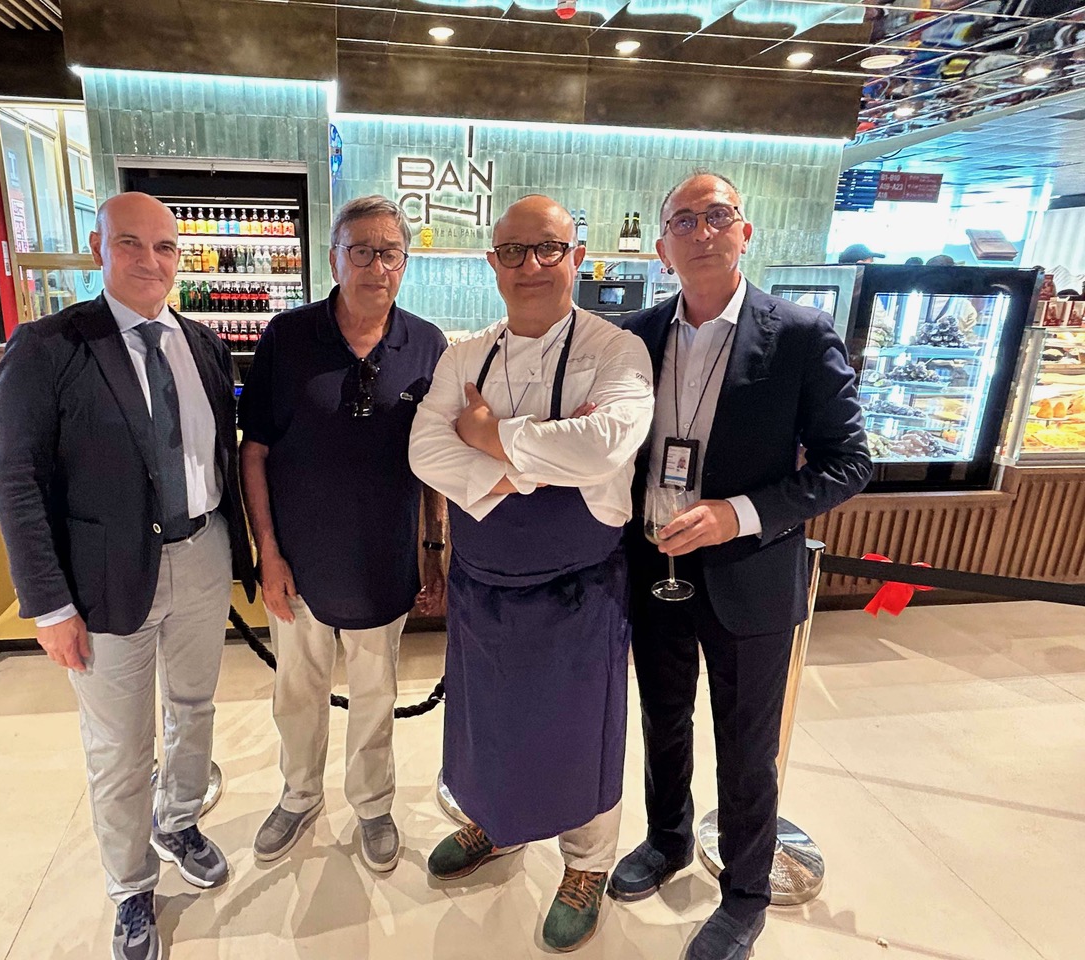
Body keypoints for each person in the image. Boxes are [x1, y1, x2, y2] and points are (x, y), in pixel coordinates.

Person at [609, 172, 870, 960]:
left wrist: (738, 513)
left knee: (746, 744)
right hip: (654, 563)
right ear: (662, 247)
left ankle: (746, 894)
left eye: (717, 215)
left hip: (750, 573)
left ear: (744, 231)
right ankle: (666, 839)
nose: (702, 231)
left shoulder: (799, 334)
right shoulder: (634, 335)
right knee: (662, 718)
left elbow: (849, 461)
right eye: (683, 221)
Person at [0, 192, 256, 960]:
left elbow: (218, 458)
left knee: (194, 708)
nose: (150, 261)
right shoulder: (49, 347)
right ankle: (131, 886)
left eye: (165, 247)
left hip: (202, 554)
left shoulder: (204, 345)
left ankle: (179, 821)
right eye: (130, 243)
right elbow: (14, 483)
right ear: (97, 248)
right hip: (105, 577)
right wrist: (48, 605)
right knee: (118, 744)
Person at [409, 195, 654, 952]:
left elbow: (605, 444)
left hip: (579, 585)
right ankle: (498, 822)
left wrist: (488, 435)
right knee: (489, 721)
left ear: (577, 257)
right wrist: (529, 465)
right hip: (483, 583)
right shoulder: (465, 356)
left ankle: (586, 864)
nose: (531, 266)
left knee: (582, 730)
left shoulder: (617, 350)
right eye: (513, 251)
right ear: (493, 263)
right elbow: (425, 448)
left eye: (548, 248)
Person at [238, 196, 449, 873]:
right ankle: (299, 794)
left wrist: (433, 553)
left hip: (384, 558)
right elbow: (254, 451)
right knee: (297, 689)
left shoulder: (426, 344)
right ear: (334, 260)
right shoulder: (287, 337)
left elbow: (436, 463)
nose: (376, 266)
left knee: (376, 691)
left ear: (404, 264)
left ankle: (373, 804)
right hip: (297, 561)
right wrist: (268, 553)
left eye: (389, 253)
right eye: (361, 251)